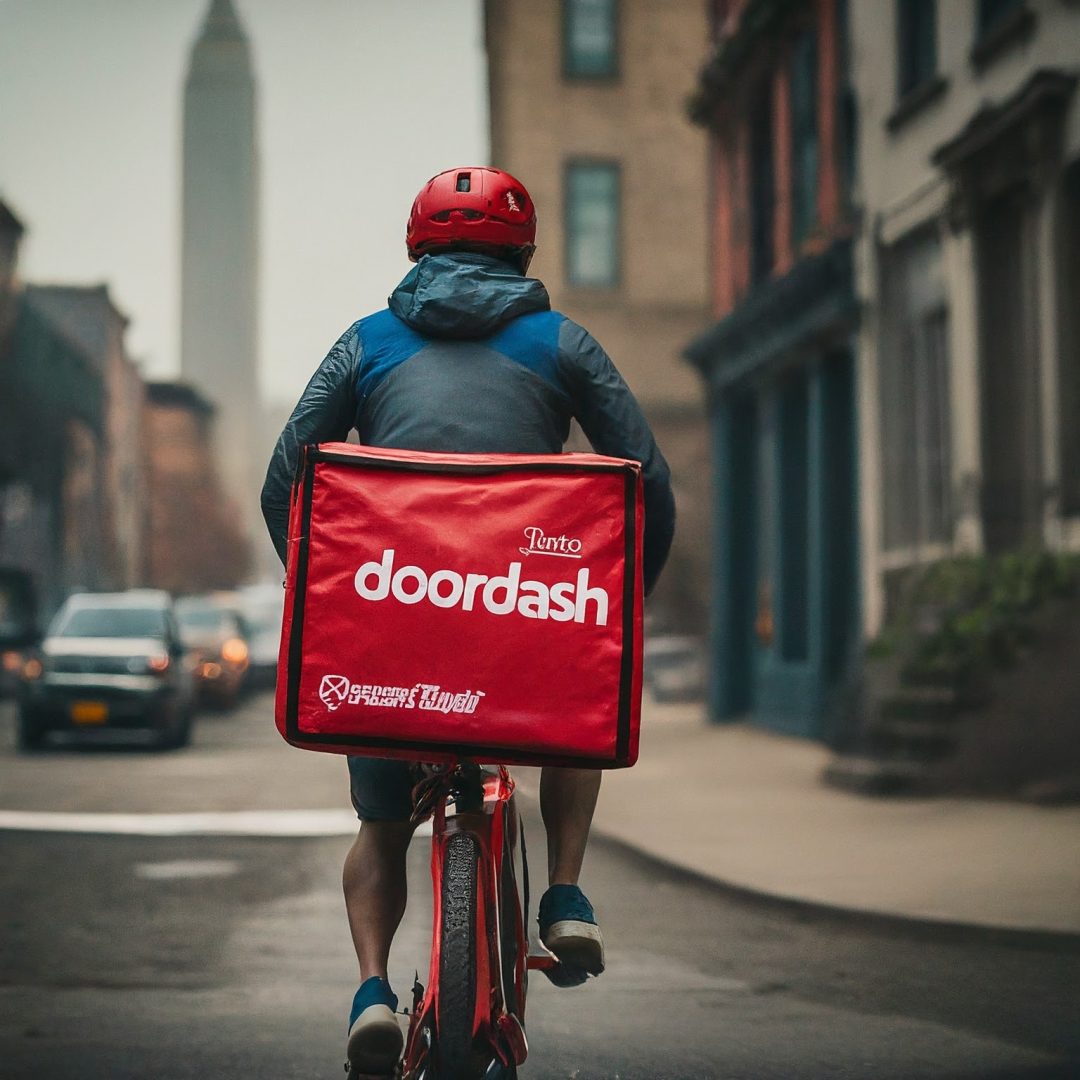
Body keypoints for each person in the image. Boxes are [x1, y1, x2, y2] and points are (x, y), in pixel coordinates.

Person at [261, 166, 675, 1075]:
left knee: (379, 827)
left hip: (390, 629)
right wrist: (614, 604)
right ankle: (564, 895)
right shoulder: (564, 342)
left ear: (416, 249)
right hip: (524, 624)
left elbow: (285, 479)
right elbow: (646, 478)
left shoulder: (365, 345)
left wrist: (324, 593)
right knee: (575, 714)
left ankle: (372, 991)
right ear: (523, 254)